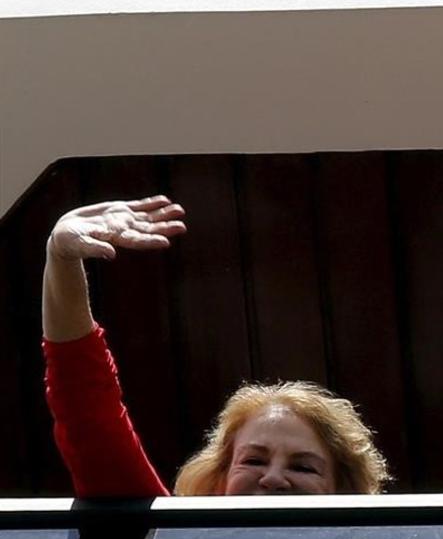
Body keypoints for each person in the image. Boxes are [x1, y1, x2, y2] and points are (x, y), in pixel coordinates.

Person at [42, 196, 391, 497]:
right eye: (253, 460)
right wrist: (61, 258)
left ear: (343, 493)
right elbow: (86, 406)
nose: (273, 478)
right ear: (219, 479)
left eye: (304, 467)